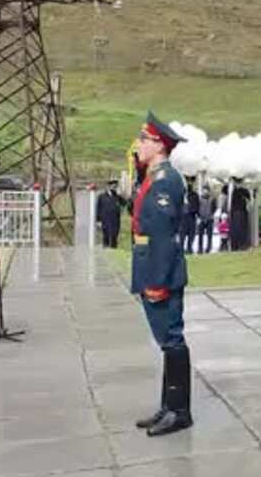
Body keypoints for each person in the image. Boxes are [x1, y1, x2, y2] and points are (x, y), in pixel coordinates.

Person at [130, 111, 192, 437]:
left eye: (143, 139)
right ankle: (169, 407)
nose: (137, 144)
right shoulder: (153, 177)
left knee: (172, 339)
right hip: (150, 264)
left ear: (159, 145)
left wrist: (157, 280)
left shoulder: (166, 180)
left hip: (160, 270)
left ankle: (180, 411)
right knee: (166, 341)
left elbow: (164, 236)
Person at [224, 177, 251, 251]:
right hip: (235, 212)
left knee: (241, 229)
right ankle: (235, 245)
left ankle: (241, 245)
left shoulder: (244, 191)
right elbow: (224, 191)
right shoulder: (232, 190)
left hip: (241, 212)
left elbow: (249, 200)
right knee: (235, 230)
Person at [96, 180, 125, 248]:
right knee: (106, 236)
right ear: (108, 187)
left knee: (114, 236)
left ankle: (113, 250)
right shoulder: (102, 196)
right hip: (105, 220)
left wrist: (120, 194)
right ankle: (105, 250)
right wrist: (98, 220)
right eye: (113, 186)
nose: (114, 188)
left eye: (115, 186)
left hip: (115, 220)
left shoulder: (117, 196)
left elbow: (124, 203)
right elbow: (98, 209)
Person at [196, 186, 215, 254]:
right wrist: (199, 216)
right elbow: (197, 207)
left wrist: (212, 214)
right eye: (204, 190)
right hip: (201, 219)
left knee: (209, 235)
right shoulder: (199, 199)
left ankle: (208, 248)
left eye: (206, 190)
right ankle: (200, 249)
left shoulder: (212, 199)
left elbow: (214, 208)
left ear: (208, 191)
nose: (205, 191)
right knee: (200, 235)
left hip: (210, 219)